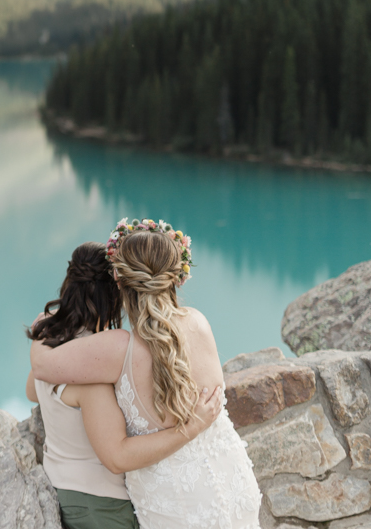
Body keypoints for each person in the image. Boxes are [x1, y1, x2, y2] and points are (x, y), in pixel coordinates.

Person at [31, 220, 262, 529]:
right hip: (233, 482)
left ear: (119, 280)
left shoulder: (118, 349)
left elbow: (43, 368)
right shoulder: (198, 323)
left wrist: (44, 323)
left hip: (175, 504)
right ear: (177, 277)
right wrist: (192, 426)